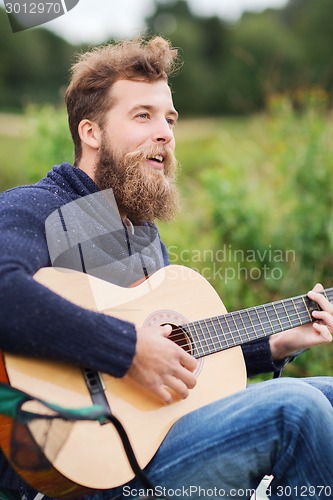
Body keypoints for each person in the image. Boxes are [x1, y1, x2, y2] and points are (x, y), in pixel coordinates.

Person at [0, 36, 332, 500]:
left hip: (153, 443)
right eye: (143, 116)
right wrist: (128, 349)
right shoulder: (38, 207)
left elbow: (179, 353)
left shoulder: (142, 234)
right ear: (91, 132)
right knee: (295, 411)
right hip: (79, 472)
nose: (165, 133)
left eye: (170, 118)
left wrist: (274, 344)